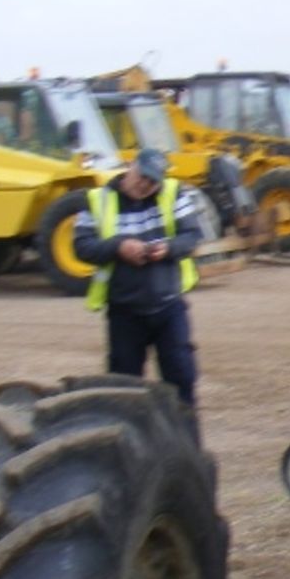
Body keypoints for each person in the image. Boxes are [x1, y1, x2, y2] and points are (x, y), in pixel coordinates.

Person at [73, 147, 205, 410]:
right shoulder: (96, 199)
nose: (146, 185)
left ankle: (186, 445)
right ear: (130, 165)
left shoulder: (173, 193)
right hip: (125, 311)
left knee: (182, 380)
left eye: (153, 180)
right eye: (142, 176)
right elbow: (82, 247)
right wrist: (119, 247)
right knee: (124, 387)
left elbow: (192, 236)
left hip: (168, 306)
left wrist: (167, 248)